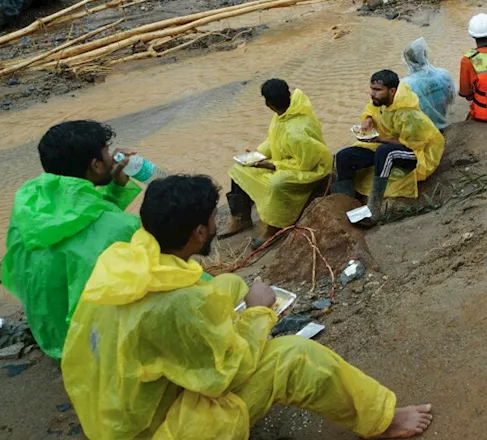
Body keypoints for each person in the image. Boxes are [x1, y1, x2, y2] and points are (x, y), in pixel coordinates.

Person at [62, 174, 433, 440]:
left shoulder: (122, 261)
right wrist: (259, 313)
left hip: (112, 415)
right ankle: (382, 421)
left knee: (229, 285)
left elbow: (193, 302)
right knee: (296, 358)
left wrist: (234, 301)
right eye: (212, 218)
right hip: (156, 430)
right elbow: (226, 374)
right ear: (199, 234)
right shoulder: (176, 305)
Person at [0, 120, 142, 358]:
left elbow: (79, 221)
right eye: (107, 153)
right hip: (89, 351)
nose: (111, 158)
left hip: (51, 338)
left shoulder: (29, 204)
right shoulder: (121, 228)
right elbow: (99, 228)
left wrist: (116, 189)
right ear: (97, 165)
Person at [226, 79, 331, 240]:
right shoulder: (282, 115)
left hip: (312, 169)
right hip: (287, 162)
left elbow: (306, 164)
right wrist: (257, 153)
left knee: (277, 184)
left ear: (268, 104)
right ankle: (241, 218)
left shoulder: (297, 131)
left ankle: (274, 225)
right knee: (239, 168)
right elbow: (273, 140)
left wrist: (271, 165)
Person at [334, 70, 444, 222]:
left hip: (417, 152)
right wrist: (368, 119)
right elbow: (371, 109)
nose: (372, 94)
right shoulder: (382, 102)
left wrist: (379, 138)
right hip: (389, 143)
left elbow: (411, 143)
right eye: (372, 89)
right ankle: (345, 201)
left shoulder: (408, 113)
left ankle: (374, 208)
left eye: (377, 90)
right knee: (344, 156)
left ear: (392, 91)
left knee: (385, 152)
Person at [402, 38, 454, 130]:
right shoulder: (444, 74)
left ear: (407, 60)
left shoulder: (405, 83)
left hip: (422, 130)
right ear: (425, 55)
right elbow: (451, 98)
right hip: (443, 123)